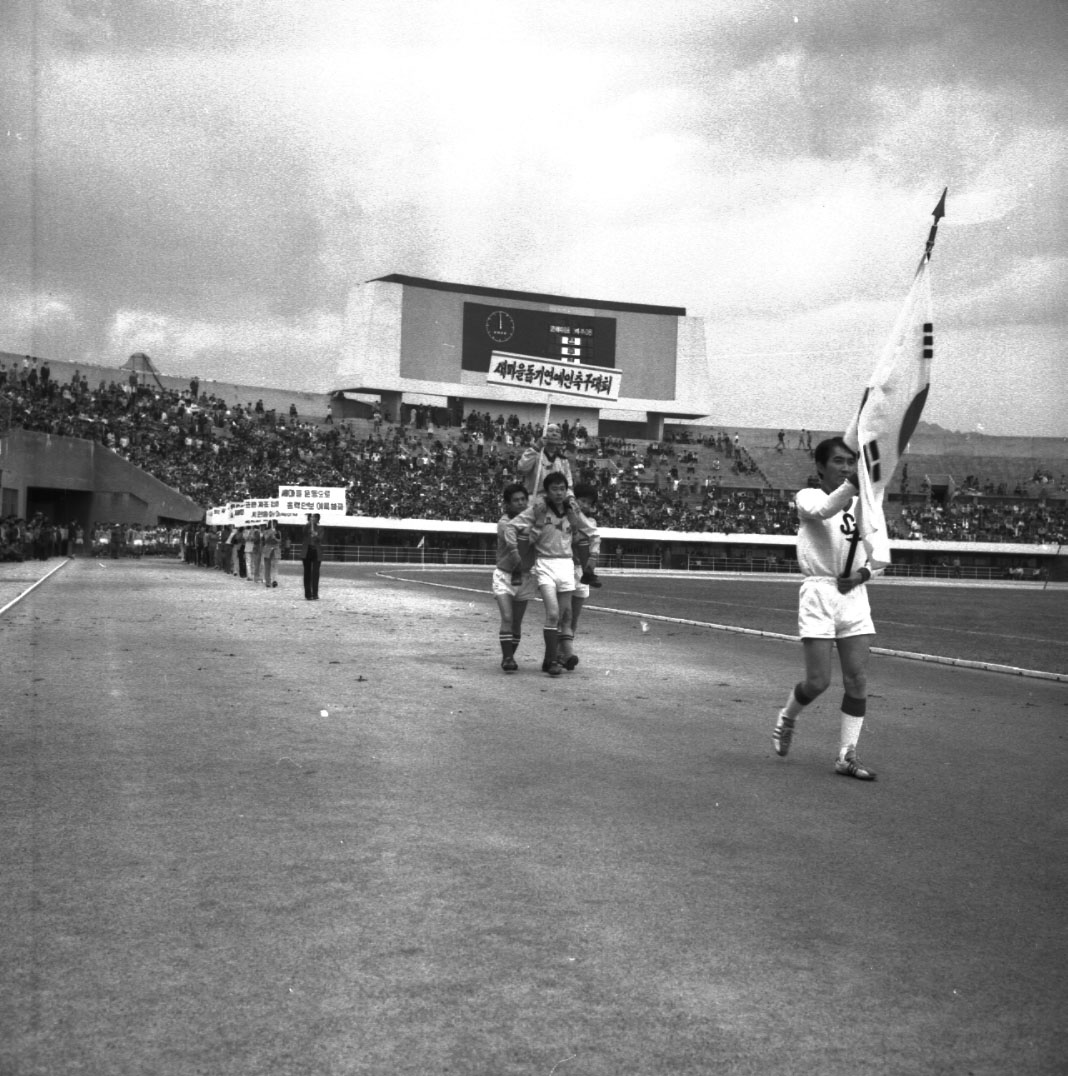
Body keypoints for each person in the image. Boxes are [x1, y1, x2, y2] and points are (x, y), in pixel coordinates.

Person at [771, 436, 880, 781]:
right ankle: (788, 716)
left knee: (857, 679)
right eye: (838, 462)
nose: (846, 468)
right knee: (818, 682)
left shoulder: (868, 504)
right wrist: (854, 485)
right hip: (819, 593)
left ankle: (846, 754)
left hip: (854, 596)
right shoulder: (809, 497)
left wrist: (863, 573)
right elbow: (824, 510)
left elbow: (881, 556)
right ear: (820, 466)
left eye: (851, 462)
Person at [503, 471, 598, 677]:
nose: (559, 493)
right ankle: (553, 659)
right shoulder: (538, 509)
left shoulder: (572, 509)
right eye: (554, 489)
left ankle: (550, 660)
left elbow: (590, 532)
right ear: (547, 491)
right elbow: (511, 527)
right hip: (545, 564)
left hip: (566, 565)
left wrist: (591, 555)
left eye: (562, 489)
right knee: (553, 613)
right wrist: (514, 552)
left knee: (565, 615)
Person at [492, 483, 538, 672]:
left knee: (517, 623)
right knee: (508, 618)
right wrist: (535, 524)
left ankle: (510, 656)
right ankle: (507, 658)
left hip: (525, 577)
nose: (520, 503)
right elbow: (521, 538)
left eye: (523, 500)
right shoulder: (505, 523)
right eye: (516, 500)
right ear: (508, 504)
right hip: (505, 575)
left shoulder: (533, 519)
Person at [558, 482, 603, 671]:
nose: (584, 505)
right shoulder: (565, 517)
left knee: (574, 618)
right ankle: (562, 654)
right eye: (581, 500)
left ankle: (563, 653)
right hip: (566, 566)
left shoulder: (590, 522)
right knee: (564, 615)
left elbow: (593, 540)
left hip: (580, 571)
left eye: (588, 503)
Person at [516, 423, 573, 495]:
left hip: (555, 501)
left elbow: (568, 483)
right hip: (534, 499)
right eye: (550, 431)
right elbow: (522, 469)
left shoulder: (563, 460)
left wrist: (571, 498)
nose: (554, 434)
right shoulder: (534, 454)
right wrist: (537, 447)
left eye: (557, 432)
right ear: (542, 435)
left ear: (560, 437)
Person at [301, 513, 322, 600]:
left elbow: (320, 538)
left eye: (315, 518)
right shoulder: (307, 526)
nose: (313, 519)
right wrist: (309, 524)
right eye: (312, 517)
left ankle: (315, 593)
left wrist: (315, 534)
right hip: (307, 551)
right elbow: (304, 532)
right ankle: (308, 594)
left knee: (315, 573)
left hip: (316, 552)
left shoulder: (320, 528)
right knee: (307, 573)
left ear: (318, 519)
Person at [261, 520, 281, 588]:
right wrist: (270, 534)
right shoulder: (266, 531)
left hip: (275, 550)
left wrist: (275, 537)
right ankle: (268, 581)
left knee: (275, 566)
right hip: (268, 550)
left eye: (275, 523)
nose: (274, 524)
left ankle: (274, 580)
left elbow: (279, 540)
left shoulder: (278, 532)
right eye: (273, 523)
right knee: (267, 567)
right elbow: (265, 539)